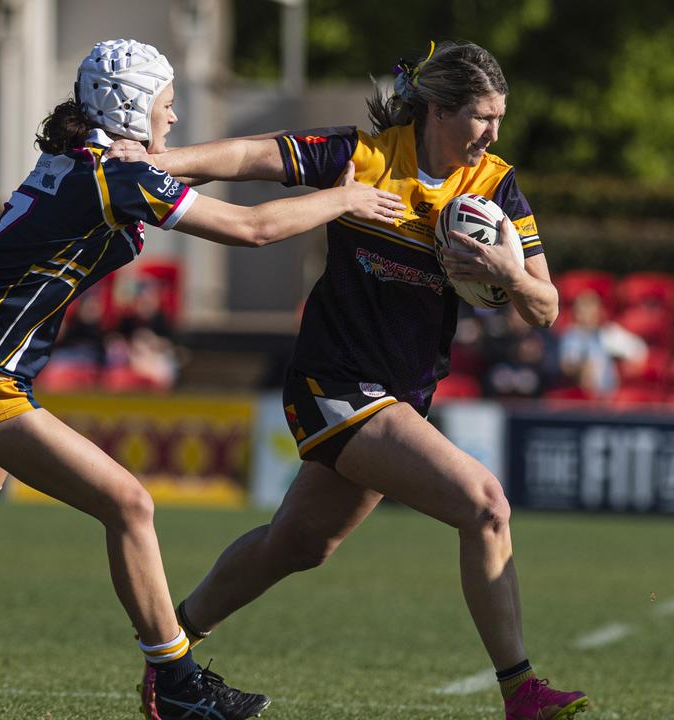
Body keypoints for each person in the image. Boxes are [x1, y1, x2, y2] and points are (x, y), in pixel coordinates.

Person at [0, 38, 404, 720]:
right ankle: (178, 683)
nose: (175, 114)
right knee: (129, 504)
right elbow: (251, 229)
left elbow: (171, 177)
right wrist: (343, 200)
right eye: (166, 103)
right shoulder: (113, 176)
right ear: (134, 107)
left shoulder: (85, 162)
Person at [108, 40, 589, 720]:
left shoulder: (495, 188)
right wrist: (161, 163)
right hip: (332, 383)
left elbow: (546, 308)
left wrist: (507, 274)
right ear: (437, 110)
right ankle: (522, 691)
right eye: (481, 117)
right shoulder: (365, 156)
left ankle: (170, 659)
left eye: (499, 119)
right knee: (484, 503)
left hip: (399, 399)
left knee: (297, 546)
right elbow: (252, 155)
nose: (493, 133)